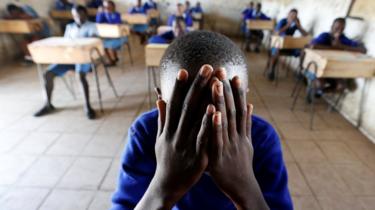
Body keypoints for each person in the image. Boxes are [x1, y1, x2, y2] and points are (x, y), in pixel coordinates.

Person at [111, 31, 293, 210]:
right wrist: (162, 188)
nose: (205, 133)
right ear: (162, 101)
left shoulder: (261, 138)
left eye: (222, 114)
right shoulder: (146, 133)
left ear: (242, 99)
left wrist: (245, 187)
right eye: (186, 115)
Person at [34, 5, 98, 119]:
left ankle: (87, 106)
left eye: (80, 14)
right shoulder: (70, 27)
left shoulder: (92, 26)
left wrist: (77, 46)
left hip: (84, 59)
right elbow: (65, 44)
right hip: (69, 59)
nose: (77, 17)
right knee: (48, 74)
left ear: (85, 14)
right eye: (75, 15)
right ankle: (48, 104)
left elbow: (92, 42)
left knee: (80, 76)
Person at [306, 17, 366, 100]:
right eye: (337, 28)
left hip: (332, 70)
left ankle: (319, 92)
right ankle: (316, 89)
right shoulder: (325, 36)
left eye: (342, 29)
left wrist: (342, 46)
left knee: (341, 86)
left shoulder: (343, 39)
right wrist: (335, 47)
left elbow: (363, 50)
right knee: (321, 84)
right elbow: (312, 46)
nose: (339, 31)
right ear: (332, 27)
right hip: (316, 68)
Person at [267, 9, 308, 81]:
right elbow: (277, 33)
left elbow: (305, 35)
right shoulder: (283, 21)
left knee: (303, 52)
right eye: (291, 15)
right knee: (276, 50)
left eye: (295, 15)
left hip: (289, 46)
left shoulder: (296, 23)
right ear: (288, 14)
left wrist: (299, 26)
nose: (293, 17)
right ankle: (272, 70)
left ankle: (300, 72)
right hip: (278, 44)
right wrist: (287, 25)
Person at [96, 0, 127, 66]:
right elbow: (98, 23)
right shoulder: (103, 14)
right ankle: (111, 60)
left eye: (109, 6)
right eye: (106, 7)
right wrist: (99, 13)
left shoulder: (117, 14)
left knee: (109, 45)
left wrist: (109, 16)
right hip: (108, 36)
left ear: (114, 7)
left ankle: (114, 59)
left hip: (119, 36)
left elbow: (116, 24)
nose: (107, 8)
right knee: (102, 45)